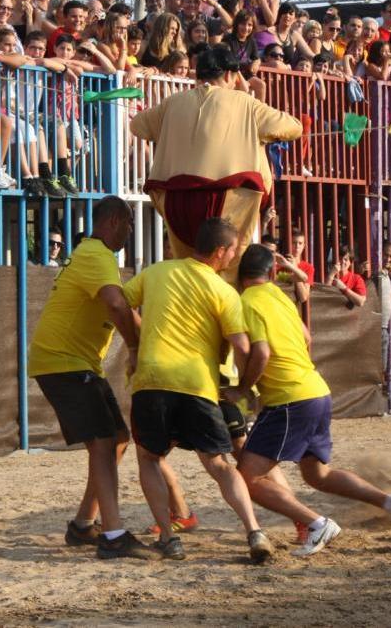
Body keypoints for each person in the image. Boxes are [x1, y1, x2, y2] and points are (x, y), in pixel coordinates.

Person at [233, 244, 391, 556]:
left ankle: (317, 524)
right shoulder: (278, 296)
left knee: (249, 478)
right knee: (316, 474)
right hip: (316, 390)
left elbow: (262, 353)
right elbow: (307, 337)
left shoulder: (246, 302)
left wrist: (243, 389)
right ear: (270, 273)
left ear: (240, 275)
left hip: (290, 398)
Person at [123, 217, 274, 563]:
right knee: (220, 463)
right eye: (233, 250)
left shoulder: (158, 272)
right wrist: (243, 387)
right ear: (220, 251)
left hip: (152, 379)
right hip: (198, 384)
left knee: (150, 458)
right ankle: (254, 531)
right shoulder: (224, 292)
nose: (235, 256)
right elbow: (243, 347)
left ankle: (169, 538)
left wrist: (136, 340)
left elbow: (120, 300)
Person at [28, 196, 159, 560]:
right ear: (116, 220)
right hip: (63, 362)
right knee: (103, 442)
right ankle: (113, 535)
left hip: (76, 362)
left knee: (116, 439)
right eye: (130, 224)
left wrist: (146, 342)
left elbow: (125, 309)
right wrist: (135, 348)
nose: (131, 233)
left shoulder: (94, 256)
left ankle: (85, 523)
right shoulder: (95, 255)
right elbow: (118, 307)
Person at [131, 47, 304, 281]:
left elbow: (138, 125)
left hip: (176, 200)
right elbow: (293, 126)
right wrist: (258, 135)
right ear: (228, 75)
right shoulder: (244, 102)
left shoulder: (172, 103)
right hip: (230, 198)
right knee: (227, 272)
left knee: (188, 270)